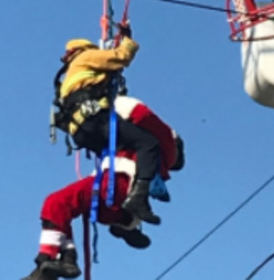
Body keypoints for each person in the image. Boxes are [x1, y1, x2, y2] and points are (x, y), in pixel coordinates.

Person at [22, 104, 183, 280]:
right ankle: (124, 225)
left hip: (114, 184)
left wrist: (103, 105)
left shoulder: (155, 142)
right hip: (112, 196)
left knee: (56, 203)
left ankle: (51, 257)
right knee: (65, 208)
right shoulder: (153, 152)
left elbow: (138, 111)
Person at [53, 22, 176, 225]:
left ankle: (126, 219)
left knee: (125, 155)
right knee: (148, 143)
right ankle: (138, 199)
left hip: (81, 132)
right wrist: (127, 40)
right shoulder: (85, 57)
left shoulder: (69, 76)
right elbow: (120, 58)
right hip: (96, 120)